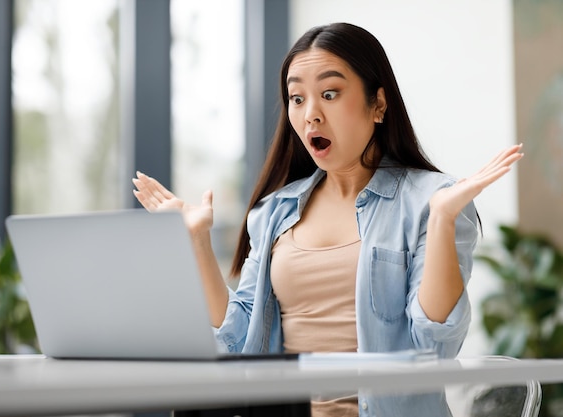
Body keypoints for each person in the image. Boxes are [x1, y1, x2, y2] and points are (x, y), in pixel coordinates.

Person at [132, 22, 523, 417]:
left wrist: (440, 219)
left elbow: (432, 351)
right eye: (297, 98)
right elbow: (235, 341)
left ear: (379, 104)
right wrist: (197, 241)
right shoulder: (274, 212)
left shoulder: (433, 202)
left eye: (330, 94)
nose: (311, 115)